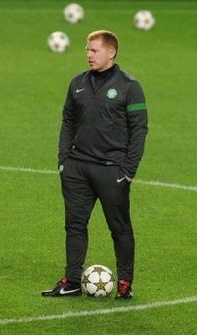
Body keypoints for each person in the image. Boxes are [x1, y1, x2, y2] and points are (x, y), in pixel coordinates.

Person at [42, 30, 148, 299]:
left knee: (119, 228)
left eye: (94, 50)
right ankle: (73, 280)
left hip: (112, 169)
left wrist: (129, 170)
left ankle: (125, 283)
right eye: (87, 50)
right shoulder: (77, 83)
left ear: (111, 53)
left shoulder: (129, 86)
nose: (88, 55)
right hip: (77, 167)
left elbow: (139, 129)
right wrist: (63, 161)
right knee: (75, 225)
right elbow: (67, 121)